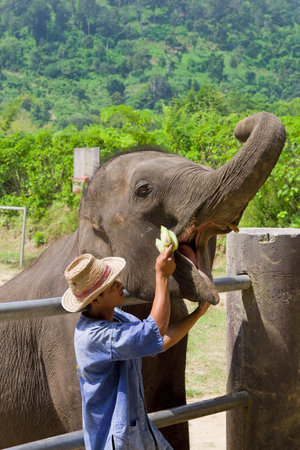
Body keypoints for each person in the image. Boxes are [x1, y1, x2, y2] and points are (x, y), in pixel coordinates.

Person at [61, 245, 210, 450]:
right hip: (114, 439)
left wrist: (197, 314)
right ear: (95, 299)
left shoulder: (117, 317)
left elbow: (157, 341)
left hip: (136, 428)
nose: (120, 285)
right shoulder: (95, 337)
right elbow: (155, 329)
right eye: (112, 284)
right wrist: (162, 276)